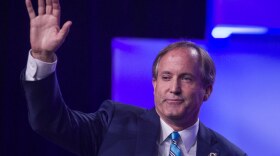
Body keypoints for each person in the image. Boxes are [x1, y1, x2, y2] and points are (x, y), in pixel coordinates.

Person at [22, 0, 247, 155]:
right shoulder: (113, 123)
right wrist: (43, 56)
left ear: (207, 89)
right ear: (154, 84)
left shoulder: (230, 154)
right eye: (166, 77)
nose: (174, 88)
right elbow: (50, 121)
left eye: (186, 78)